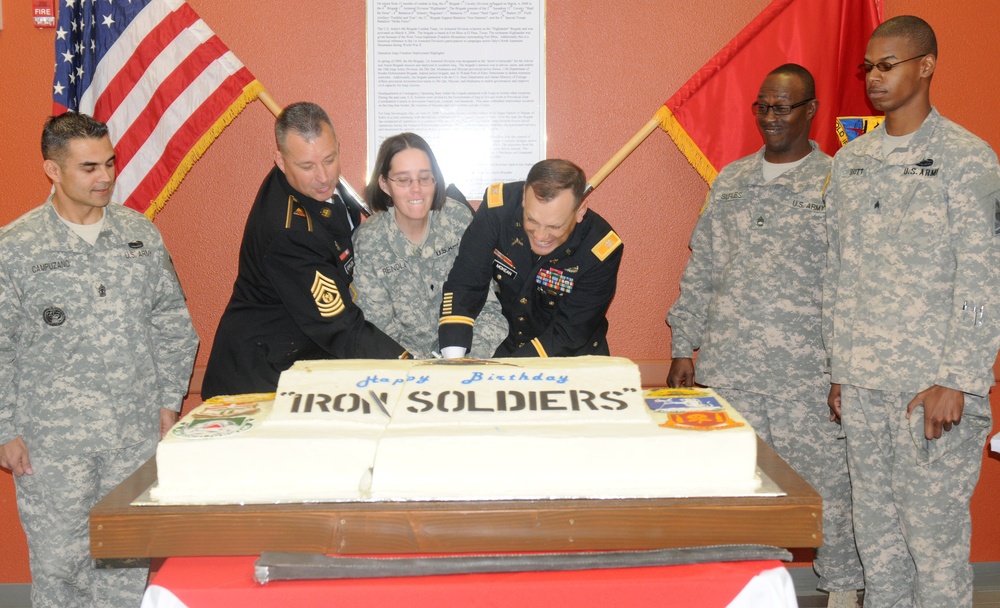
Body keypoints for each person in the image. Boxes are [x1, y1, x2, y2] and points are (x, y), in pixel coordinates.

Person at [666, 64, 863, 608]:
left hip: (809, 382)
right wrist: (684, 345)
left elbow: (854, 282)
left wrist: (844, 370)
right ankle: (748, 594)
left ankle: (843, 595)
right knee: (738, 497)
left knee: (830, 500)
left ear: (811, 111)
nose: (772, 118)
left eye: (784, 108)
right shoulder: (730, 180)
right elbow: (702, 267)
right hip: (731, 377)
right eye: (764, 107)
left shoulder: (837, 180)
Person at [824, 16, 1000, 607]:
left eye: (888, 65)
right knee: (878, 546)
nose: (874, 77)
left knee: (934, 547)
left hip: (930, 389)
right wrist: (839, 371)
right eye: (867, 67)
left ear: (925, 66)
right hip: (864, 388)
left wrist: (960, 378)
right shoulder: (850, 163)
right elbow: (836, 271)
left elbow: (984, 277)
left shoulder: (966, 158)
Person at [0, 112, 198, 607]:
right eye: (89, 167)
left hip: (132, 436)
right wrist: (4, 427)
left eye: (109, 163)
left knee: (126, 566)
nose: (105, 176)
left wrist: (168, 402)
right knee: (59, 566)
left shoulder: (140, 236)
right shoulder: (16, 248)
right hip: (52, 446)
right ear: (52, 170)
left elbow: (173, 323)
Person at [202, 102, 409, 398]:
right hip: (259, 383)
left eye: (329, 159)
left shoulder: (316, 190)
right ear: (281, 161)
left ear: (338, 147)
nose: (323, 176)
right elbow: (340, 328)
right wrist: (410, 367)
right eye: (307, 166)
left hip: (298, 364)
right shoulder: (289, 233)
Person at [438, 159, 623, 358]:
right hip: (505, 345)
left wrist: (513, 371)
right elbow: (465, 282)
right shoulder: (497, 212)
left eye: (554, 227)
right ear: (525, 198)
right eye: (532, 220)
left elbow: (569, 333)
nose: (541, 236)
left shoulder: (599, 249)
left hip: (570, 357)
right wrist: (453, 357)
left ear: (580, 211)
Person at [353, 132, 507, 358]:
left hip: (468, 361)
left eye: (425, 178)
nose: (416, 189)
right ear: (385, 184)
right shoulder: (370, 240)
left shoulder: (458, 220)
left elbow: (488, 308)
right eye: (404, 180)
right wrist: (423, 369)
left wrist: (466, 361)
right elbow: (378, 328)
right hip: (405, 371)